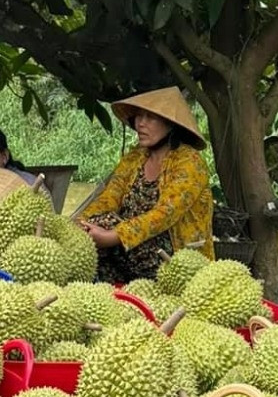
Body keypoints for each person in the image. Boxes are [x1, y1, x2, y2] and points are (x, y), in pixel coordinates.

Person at [77, 87, 214, 284]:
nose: (140, 123)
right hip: (130, 249)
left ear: (171, 125)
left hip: (174, 258)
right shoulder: (135, 157)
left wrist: (114, 236)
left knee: (107, 225)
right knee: (96, 226)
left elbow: (164, 214)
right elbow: (110, 198)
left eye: (150, 118)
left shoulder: (189, 162)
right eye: (139, 116)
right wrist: (82, 223)